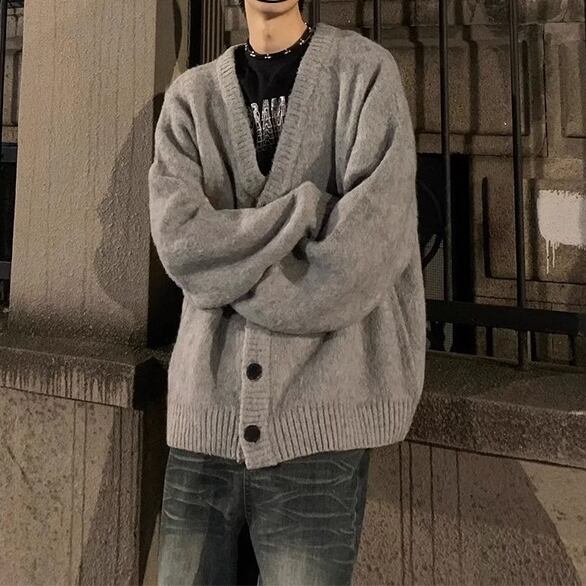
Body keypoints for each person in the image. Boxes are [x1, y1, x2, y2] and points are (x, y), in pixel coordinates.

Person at [148, 0, 427, 584]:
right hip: (201, 430)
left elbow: (365, 253)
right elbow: (180, 243)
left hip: (316, 441)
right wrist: (306, 212)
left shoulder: (364, 74)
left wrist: (229, 270)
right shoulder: (191, 99)